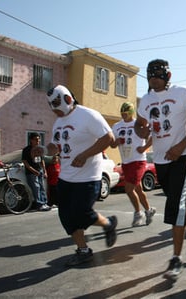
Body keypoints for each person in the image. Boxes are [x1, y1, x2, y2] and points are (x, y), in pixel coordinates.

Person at [134, 59, 186, 281]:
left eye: (157, 74)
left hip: (183, 156)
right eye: (150, 74)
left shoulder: (183, 93)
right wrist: (141, 128)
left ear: (168, 75)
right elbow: (139, 126)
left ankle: (176, 258)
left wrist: (180, 146)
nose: (153, 78)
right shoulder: (145, 100)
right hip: (161, 159)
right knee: (178, 204)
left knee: (175, 204)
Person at [46, 84, 118, 267]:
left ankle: (108, 224)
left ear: (67, 99)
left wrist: (85, 155)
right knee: (66, 217)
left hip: (88, 177)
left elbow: (108, 138)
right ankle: (83, 250)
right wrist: (47, 149)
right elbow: (56, 147)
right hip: (66, 177)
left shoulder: (88, 115)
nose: (54, 109)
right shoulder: (58, 123)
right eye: (50, 105)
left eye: (56, 103)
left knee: (82, 214)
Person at [111, 102, 156, 227]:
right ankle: (149, 210)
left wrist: (144, 148)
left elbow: (152, 136)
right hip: (126, 161)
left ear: (131, 113)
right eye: (122, 114)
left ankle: (138, 213)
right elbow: (112, 144)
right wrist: (116, 142)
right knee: (138, 189)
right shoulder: (116, 126)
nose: (124, 116)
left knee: (129, 188)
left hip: (138, 160)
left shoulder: (138, 124)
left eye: (126, 113)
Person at [22, 132, 50, 211]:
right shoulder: (26, 150)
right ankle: (39, 204)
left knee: (42, 187)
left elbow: (42, 161)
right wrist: (33, 170)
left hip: (39, 170)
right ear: (31, 140)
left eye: (39, 139)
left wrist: (44, 171)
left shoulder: (39, 149)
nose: (38, 141)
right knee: (36, 188)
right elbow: (25, 162)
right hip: (31, 173)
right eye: (36, 139)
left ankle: (44, 203)